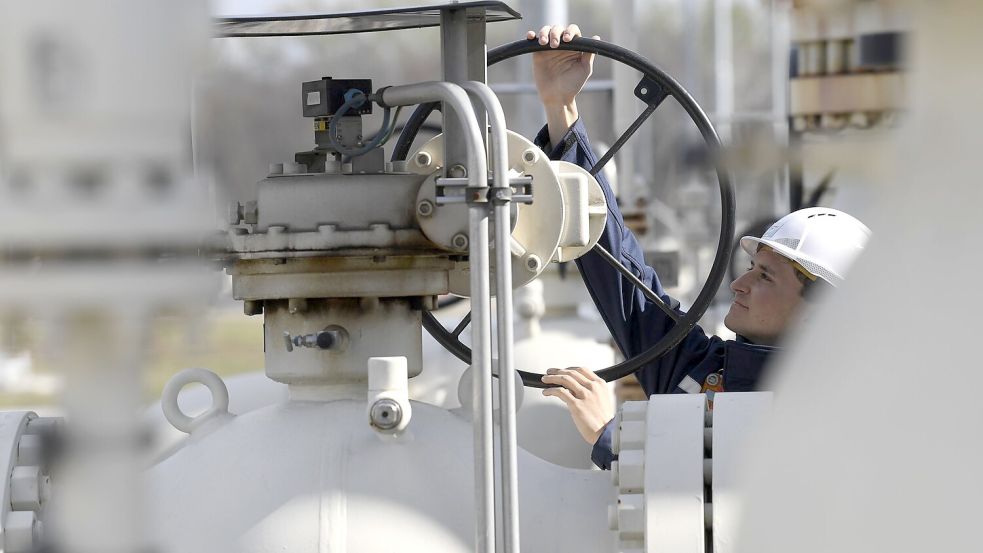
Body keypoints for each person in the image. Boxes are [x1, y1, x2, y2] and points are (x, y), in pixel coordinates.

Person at [529, 24, 871, 469]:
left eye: (765, 275)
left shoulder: (823, 421)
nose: (741, 282)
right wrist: (562, 108)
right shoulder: (704, 370)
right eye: (753, 265)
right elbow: (621, 270)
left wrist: (610, 436)